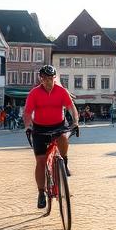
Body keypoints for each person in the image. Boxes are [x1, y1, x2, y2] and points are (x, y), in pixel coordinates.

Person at [24, 65, 80, 209]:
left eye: (51, 78)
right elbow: (27, 113)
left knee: (63, 138)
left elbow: (71, 108)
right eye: (45, 79)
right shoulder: (34, 93)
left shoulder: (61, 91)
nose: (49, 82)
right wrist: (28, 126)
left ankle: (64, 162)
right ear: (41, 79)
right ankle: (41, 193)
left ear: (55, 78)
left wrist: (75, 122)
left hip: (58, 126)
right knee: (41, 162)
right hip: (39, 129)